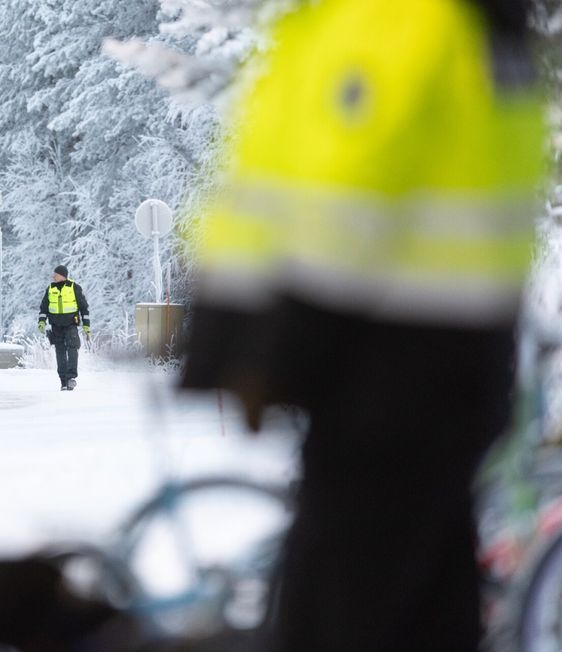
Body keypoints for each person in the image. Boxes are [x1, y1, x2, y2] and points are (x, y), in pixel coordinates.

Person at [180, 1, 545, 651]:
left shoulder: (396, 19)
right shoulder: (448, 22)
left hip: (383, 366)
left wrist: (269, 351)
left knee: (343, 611)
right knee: (422, 605)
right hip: (436, 359)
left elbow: (346, 196)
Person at [38, 265, 90, 391]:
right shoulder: (50, 289)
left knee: (72, 348)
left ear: (62, 275)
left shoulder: (74, 288)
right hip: (56, 326)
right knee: (60, 352)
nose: (53, 276)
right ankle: (63, 381)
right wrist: (42, 322)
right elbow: (44, 308)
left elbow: (84, 308)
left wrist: (86, 325)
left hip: (71, 324)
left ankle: (71, 377)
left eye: (55, 274)